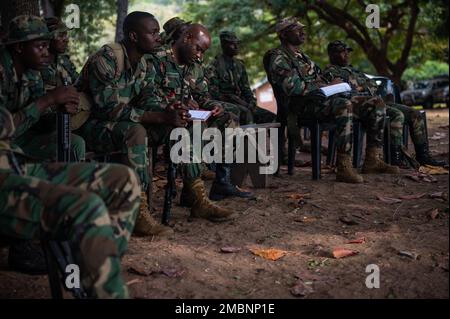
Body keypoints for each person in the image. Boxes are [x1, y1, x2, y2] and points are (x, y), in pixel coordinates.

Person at [264, 17, 399, 183]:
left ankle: (372, 159)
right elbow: (293, 88)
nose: (302, 32)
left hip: (321, 101)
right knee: (344, 105)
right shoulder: (278, 57)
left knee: (376, 103)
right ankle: (343, 167)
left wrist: (331, 84)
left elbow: (319, 79)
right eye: (296, 29)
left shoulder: (303, 57)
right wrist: (321, 86)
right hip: (301, 106)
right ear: (284, 35)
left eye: (302, 28)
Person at [147, 22, 255, 202]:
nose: (199, 55)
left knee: (228, 119)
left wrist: (213, 106)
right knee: (194, 128)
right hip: (165, 119)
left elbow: (202, 95)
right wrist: (177, 103)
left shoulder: (195, 65)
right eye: (198, 49)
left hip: (190, 116)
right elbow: (147, 96)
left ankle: (222, 181)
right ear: (187, 38)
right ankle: (193, 194)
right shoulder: (156, 59)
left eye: (203, 52)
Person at [323, 40, 447, 167]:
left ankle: (424, 156)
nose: (346, 55)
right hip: (362, 107)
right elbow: (338, 92)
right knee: (397, 115)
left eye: (347, 52)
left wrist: (359, 87)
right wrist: (360, 87)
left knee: (415, 114)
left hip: (377, 102)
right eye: (342, 52)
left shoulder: (353, 70)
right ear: (332, 55)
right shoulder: (330, 72)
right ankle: (395, 157)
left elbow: (372, 85)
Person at [207, 30, 276, 125]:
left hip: (243, 102)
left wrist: (251, 102)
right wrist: (235, 100)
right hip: (227, 103)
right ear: (224, 45)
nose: (236, 47)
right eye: (232, 44)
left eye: (237, 44)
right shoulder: (214, 66)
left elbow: (246, 88)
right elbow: (214, 93)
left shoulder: (240, 65)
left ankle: (273, 140)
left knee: (270, 117)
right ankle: (248, 139)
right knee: (246, 114)